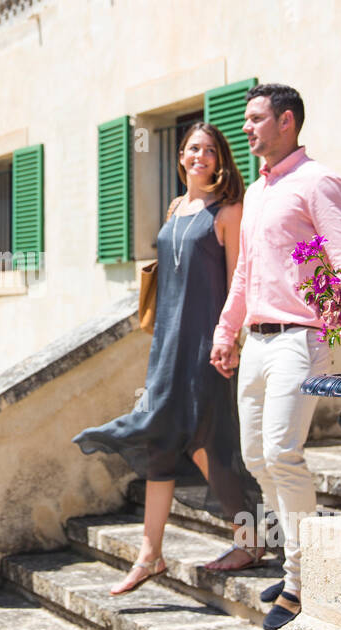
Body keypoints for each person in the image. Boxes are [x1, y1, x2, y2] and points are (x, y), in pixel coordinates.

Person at [209, 83, 341, 630]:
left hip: (301, 339)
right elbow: (245, 274)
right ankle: (297, 564)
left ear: (287, 121)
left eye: (256, 118)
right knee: (256, 459)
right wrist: (225, 330)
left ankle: (302, 582)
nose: (246, 128)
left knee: (282, 454)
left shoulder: (319, 183)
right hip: (255, 341)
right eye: (245, 119)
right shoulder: (256, 193)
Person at [73, 122, 262, 596]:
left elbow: (239, 279)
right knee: (162, 439)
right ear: (180, 156)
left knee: (206, 443)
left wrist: (230, 340)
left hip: (206, 345)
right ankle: (149, 554)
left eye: (210, 150)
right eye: (193, 148)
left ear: (221, 160)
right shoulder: (177, 207)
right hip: (167, 345)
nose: (201, 156)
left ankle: (251, 536)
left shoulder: (229, 211)